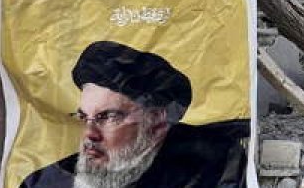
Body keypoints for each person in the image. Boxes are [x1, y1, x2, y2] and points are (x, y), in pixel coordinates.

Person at [21, 41, 248, 188]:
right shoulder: (45, 182)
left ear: (157, 121)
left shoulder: (213, 166)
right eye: (83, 117)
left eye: (107, 117)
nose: (89, 135)